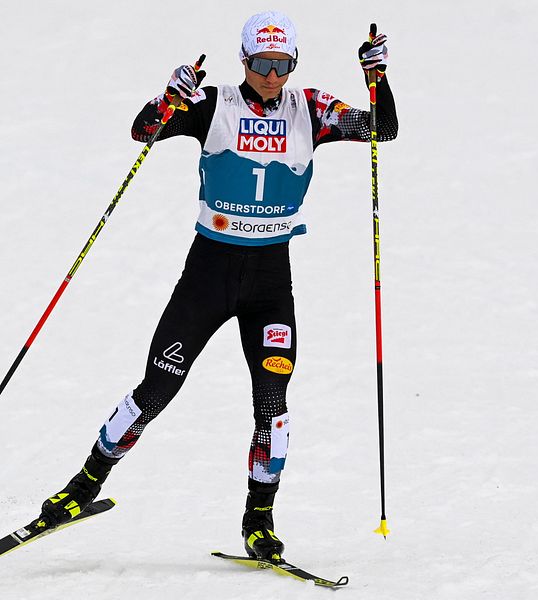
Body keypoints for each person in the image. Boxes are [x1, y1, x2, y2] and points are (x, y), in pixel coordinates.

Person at [37, 11, 397, 562]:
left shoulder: (316, 109)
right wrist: (169, 98)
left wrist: (377, 79)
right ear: (244, 60)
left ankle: (259, 520)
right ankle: (82, 487)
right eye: (261, 64)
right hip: (209, 272)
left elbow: (381, 128)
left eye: (282, 64)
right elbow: (143, 130)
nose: (272, 76)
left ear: (293, 62)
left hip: (270, 281)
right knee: (157, 387)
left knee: (272, 402)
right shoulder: (214, 105)